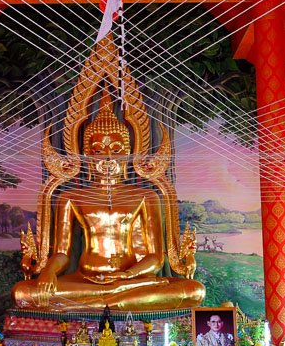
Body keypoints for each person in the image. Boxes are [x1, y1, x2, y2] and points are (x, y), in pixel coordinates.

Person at [11, 91, 205, 310]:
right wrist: (48, 272)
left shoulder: (145, 196)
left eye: (116, 149)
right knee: (22, 293)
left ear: (128, 154)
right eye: (98, 150)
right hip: (85, 280)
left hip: (131, 280)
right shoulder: (70, 197)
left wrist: (126, 276)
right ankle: (111, 301)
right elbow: (63, 254)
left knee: (194, 290)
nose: (108, 157)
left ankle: (93, 303)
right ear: (87, 155)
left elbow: (155, 258)